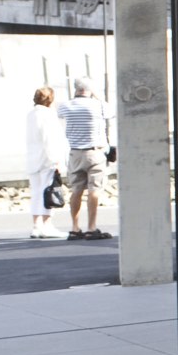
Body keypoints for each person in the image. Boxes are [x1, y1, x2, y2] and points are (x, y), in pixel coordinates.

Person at [59, 79, 112, 241]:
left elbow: (59, 117)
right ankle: (91, 227)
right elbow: (111, 113)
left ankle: (75, 228)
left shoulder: (65, 106)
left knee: (76, 190)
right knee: (94, 190)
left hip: (75, 153)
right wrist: (97, 95)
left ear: (75, 89)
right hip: (94, 152)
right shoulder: (99, 106)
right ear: (90, 90)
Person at [23, 86, 65, 241]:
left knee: (35, 192)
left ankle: (36, 226)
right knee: (48, 191)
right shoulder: (48, 115)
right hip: (47, 159)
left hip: (32, 158)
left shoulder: (31, 115)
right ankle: (47, 225)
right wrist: (56, 161)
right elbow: (50, 140)